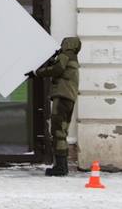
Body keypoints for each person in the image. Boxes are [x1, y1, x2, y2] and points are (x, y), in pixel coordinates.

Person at [29, 37, 81, 176]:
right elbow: (62, 70)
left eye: (64, 43)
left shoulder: (65, 55)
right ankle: (62, 166)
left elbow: (58, 69)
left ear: (68, 44)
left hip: (62, 96)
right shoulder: (73, 57)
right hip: (69, 97)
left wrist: (37, 73)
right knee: (62, 131)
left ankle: (60, 168)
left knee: (57, 131)